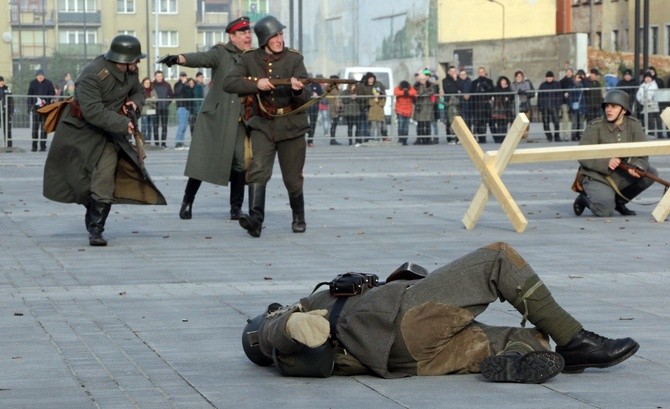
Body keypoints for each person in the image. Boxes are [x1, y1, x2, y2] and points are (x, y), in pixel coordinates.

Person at [242, 242, 639, 383]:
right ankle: (578, 340)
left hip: (411, 362)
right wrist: (290, 320)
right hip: (400, 320)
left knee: (530, 338)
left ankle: (518, 357)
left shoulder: (310, 328)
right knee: (497, 259)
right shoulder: (294, 314)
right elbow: (279, 330)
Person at [42, 35, 166, 246]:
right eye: (135, 60)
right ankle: (91, 209)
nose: (137, 64)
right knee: (79, 182)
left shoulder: (130, 72)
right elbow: (92, 110)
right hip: (80, 133)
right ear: (123, 59)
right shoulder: (93, 74)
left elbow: (138, 92)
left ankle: (97, 229)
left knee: (104, 177)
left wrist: (134, 105)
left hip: (109, 134)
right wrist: (122, 123)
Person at [221, 15, 311, 237]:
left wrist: (298, 89)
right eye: (275, 36)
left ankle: (298, 216)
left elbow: (306, 95)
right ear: (264, 39)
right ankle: (255, 219)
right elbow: (229, 83)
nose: (280, 39)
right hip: (263, 124)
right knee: (258, 170)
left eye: (281, 35)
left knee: (292, 178)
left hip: (291, 126)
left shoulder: (294, 59)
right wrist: (255, 83)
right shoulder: (249, 59)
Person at [157, 16, 253, 221]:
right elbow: (201, 58)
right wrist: (178, 58)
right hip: (217, 118)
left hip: (240, 120)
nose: (248, 36)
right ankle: (187, 202)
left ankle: (236, 208)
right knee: (202, 160)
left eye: (249, 33)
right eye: (243, 33)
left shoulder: (252, 57)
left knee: (239, 162)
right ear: (232, 36)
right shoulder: (221, 53)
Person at [572, 89, 657, 218]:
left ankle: (620, 201)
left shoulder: (634, 125)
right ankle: (585, 199)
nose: (608, 110)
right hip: (597, 176)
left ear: (623, 110)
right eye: (607, 106)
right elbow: (582, 154)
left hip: (621, 174)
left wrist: (638, 166)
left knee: (650, 174)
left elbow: (642, 153)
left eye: (614, 106)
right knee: (605, 211)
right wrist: (606, 161)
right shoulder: (595, 126)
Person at [27, 69, 56, 152]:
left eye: (42, 75)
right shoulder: (32, 83)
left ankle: (43, 146)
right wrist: (29, 107)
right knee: (35, 128)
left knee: (44, 128)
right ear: (36, 76)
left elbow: (52, 93)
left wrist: (45, 100)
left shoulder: (49, 83)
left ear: (44, 76)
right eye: (39, 75)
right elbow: (29, 96)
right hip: (36, 109)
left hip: (45, 108)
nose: (40, 77)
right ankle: (34, 146)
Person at [636, 71, 665, 139]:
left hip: (654, 104)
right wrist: (641, 100)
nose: (648, 79)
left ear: (651, 78)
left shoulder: (654, 84)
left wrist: (650, 98)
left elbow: (655, 93)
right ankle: (650, 134)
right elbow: (638, 95)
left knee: (658, 120)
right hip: (645, 105)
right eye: (646, 77)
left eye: (649, 77)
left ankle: (660, 134)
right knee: (649, 120)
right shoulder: (642, 86)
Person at [470, 66, 494, 143]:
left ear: (485, 72)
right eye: (479, 72)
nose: (481, 73)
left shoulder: (489, 81)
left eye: (482, 72)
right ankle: (481, 138)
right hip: (477, 105)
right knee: (478, 122)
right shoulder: (474, 82)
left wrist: (486, 86)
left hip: (486, 104)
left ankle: (488, 137)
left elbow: (492, 91)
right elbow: (472, 93)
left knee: (486, 121)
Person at [537, 71, 563, 142]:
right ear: (546, 78)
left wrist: (558, 104)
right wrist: (540, 106)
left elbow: (560, 95)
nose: (549, 78)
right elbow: (539, 96)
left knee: (556, 122)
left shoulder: (557, 84)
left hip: (554, 106)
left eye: (551, 77)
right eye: (548, 77)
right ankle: (549, 136)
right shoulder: (542, 85)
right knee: (545, 122)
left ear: (553, 77)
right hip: (545, 106)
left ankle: (557, 136)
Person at [151, 70, 174, 148]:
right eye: (158, 76)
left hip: (164, 108)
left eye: (161, 76)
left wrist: (167, 103)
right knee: (155, 126)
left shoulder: (167, 85)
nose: (159, 77)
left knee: (164, 126)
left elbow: (171, 95)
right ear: (155, 76)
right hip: (155, 108)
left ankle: (163, 144)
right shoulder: (152, 85)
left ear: (163, 76)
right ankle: (157, 144)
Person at [510, 70, 535, 139]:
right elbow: (513, 91)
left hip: (525, 103)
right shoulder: (513, 84)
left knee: (526, 120)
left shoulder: (526, 83)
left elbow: (530, 91)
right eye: (518, 76)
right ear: (515, 77)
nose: (519, 77)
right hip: (516, 104)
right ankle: (517, 135)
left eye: (520, 76)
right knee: (516, 120)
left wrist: (524, 92)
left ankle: (525, 135)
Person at [413, 70, 435, 145]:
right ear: (419, 80)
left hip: (428, 106)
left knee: (428, 123)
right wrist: (424, 92)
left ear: (426, 79)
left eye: (424, 79)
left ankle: (428, 138)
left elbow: (432, 92)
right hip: (420, 106)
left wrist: (423, 92)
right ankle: (420, 138)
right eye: (421, 79)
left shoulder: (430, 84)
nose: (423, 81)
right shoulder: (416, 85)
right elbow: (417, 93)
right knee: (420, 124)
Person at [490, 75, 514, 143]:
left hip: (506, 109)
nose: (503, 82)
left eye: (505, 81)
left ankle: (503, 138)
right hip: (498, 109)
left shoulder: (509, 89)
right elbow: (495, 96)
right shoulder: (496, 88)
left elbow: (511, 97)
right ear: (500, 82)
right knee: (499, 124)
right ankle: (499, 138)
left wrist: (505, 90)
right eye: (502, 81)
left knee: (505, 124)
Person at [394, 80, 417, 146]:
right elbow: (396, 92)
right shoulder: (397, 88)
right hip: (399, 110)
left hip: (408, 111)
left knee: (406, 126)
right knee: (401, 125)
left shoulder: (411, 88)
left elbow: (414, 92)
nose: (405, 89)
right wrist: (405, 92)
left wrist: (407, 93)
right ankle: (401, 139)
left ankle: (405, 139)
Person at [173, 71, 192, 148]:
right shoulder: (177, 84)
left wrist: (187, 85)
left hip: (187, 107)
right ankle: (178, 142)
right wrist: (183, 84)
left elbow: (190, 93)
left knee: (184, 126)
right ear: (180, 77)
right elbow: (177, 92)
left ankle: (181, 141)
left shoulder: (187, 85)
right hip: (181, 106)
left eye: (185, 76)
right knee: (181, 125)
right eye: (182, 76)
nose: (184, 77)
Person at [442, 66, 460, 144]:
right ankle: (449, 137)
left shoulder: (458, 79)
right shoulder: (445, 80)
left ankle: (457, 137)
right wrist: (455, 86)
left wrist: (456, 81)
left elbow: (459, 88)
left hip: (457, 103)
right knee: (449, 120)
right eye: (451, 71)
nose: (453, 73)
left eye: (454, 71)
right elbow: (448, 90)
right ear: (448, 72)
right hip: (449, 102)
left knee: (457, 120)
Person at [567, 71, 586, 141]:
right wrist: (571, 105)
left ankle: (581, 135)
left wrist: (583, 79)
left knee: (581, 122)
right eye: (578, 77)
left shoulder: (583, 84)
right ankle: (573, 135)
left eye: (580, 77)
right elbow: (570, 96)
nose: (579, 78)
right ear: (575, 77)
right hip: (574, 106)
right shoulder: (571, 85)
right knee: (574, 122)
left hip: (582, 106)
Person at [306, 76, 323, 147]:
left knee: (313, 124)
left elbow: (321, 94)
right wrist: (312, 94)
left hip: (314, 107)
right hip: (305, 107)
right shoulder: (306, 85)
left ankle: (310, 141)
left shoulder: (317, 85)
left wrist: (318, 95)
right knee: (303, 123)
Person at [325, 75, 343, 146]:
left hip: (338, 107)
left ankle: (333, 139)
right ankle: (332, 139)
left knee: (335, 124)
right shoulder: (329, 88)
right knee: (333, 124)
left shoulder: (337, 88)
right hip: (332, 108)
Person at [140, 77, 157, 143]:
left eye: (148, 83)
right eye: (146, 83)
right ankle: (143, 141)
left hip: (151, 111)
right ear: (143, 83)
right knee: (144, 127)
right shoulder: (140, 91)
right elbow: (142, 100)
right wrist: (150, 99)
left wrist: (147, 99)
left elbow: (156, 100)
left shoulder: (152, 90)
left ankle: (148, 142)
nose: (147, 84)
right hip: (144, 111)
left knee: (150, 127)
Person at [559, 68, 574, 141]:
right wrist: (564, 94)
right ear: (566, 73)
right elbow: (559, 92)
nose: (569, 73)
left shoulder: (575, 81)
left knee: (575, 119)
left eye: (570, 72)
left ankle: (575, 134)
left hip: (573, 102)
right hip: (565, 103)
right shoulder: (562, 81)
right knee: (565, 119)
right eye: (568, 72)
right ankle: (565, 135)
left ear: (572, 73)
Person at [0, 76, 14, 148]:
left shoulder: (7, 89)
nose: (1, 82)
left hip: (6, 112)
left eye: (2, 81)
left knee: (7, 129)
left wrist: (11, 112)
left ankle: (8, 145)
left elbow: (11, 100)